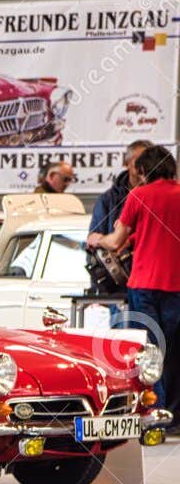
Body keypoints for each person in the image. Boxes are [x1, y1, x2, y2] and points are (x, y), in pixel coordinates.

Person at [87, 145, 180, 419]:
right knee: (173, 351)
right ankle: (173, 415)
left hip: (145, 285)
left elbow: (114, 242)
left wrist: (97, 239)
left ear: (142, 169)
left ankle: (154, 414)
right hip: (176, 286)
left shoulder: (138, 195)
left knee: (149, 350)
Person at [86, 139, 151, 293]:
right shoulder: (108, 200)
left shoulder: (159, 198)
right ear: (127, 163)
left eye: (149, 161)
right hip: (118, 286)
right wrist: (100, 287)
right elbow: (93, 242)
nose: (144, 166)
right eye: (139, 161)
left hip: (151, 282)